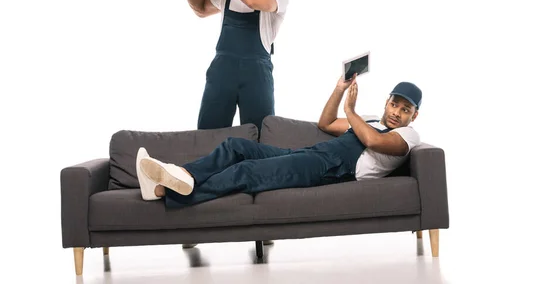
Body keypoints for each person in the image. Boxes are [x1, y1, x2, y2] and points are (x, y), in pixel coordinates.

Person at [135, 74, 423, 207]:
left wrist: (350, 109)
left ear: (414, 115)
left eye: (405, 109)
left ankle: (164, 192)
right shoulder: (370, 119)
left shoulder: (408, 136)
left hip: (332, 170)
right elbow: (326, 123)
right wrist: (339, 89)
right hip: (314, 154)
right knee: (236, 145)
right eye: (394, 105)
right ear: (387, 103)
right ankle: (184, 175)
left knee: (245, 171)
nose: (397, 113)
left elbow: (372, 141)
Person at [183, 0, 294, 131]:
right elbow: (201, 9)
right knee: (207, 136)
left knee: (260, 137)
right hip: (222, 70)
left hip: (257, 74)